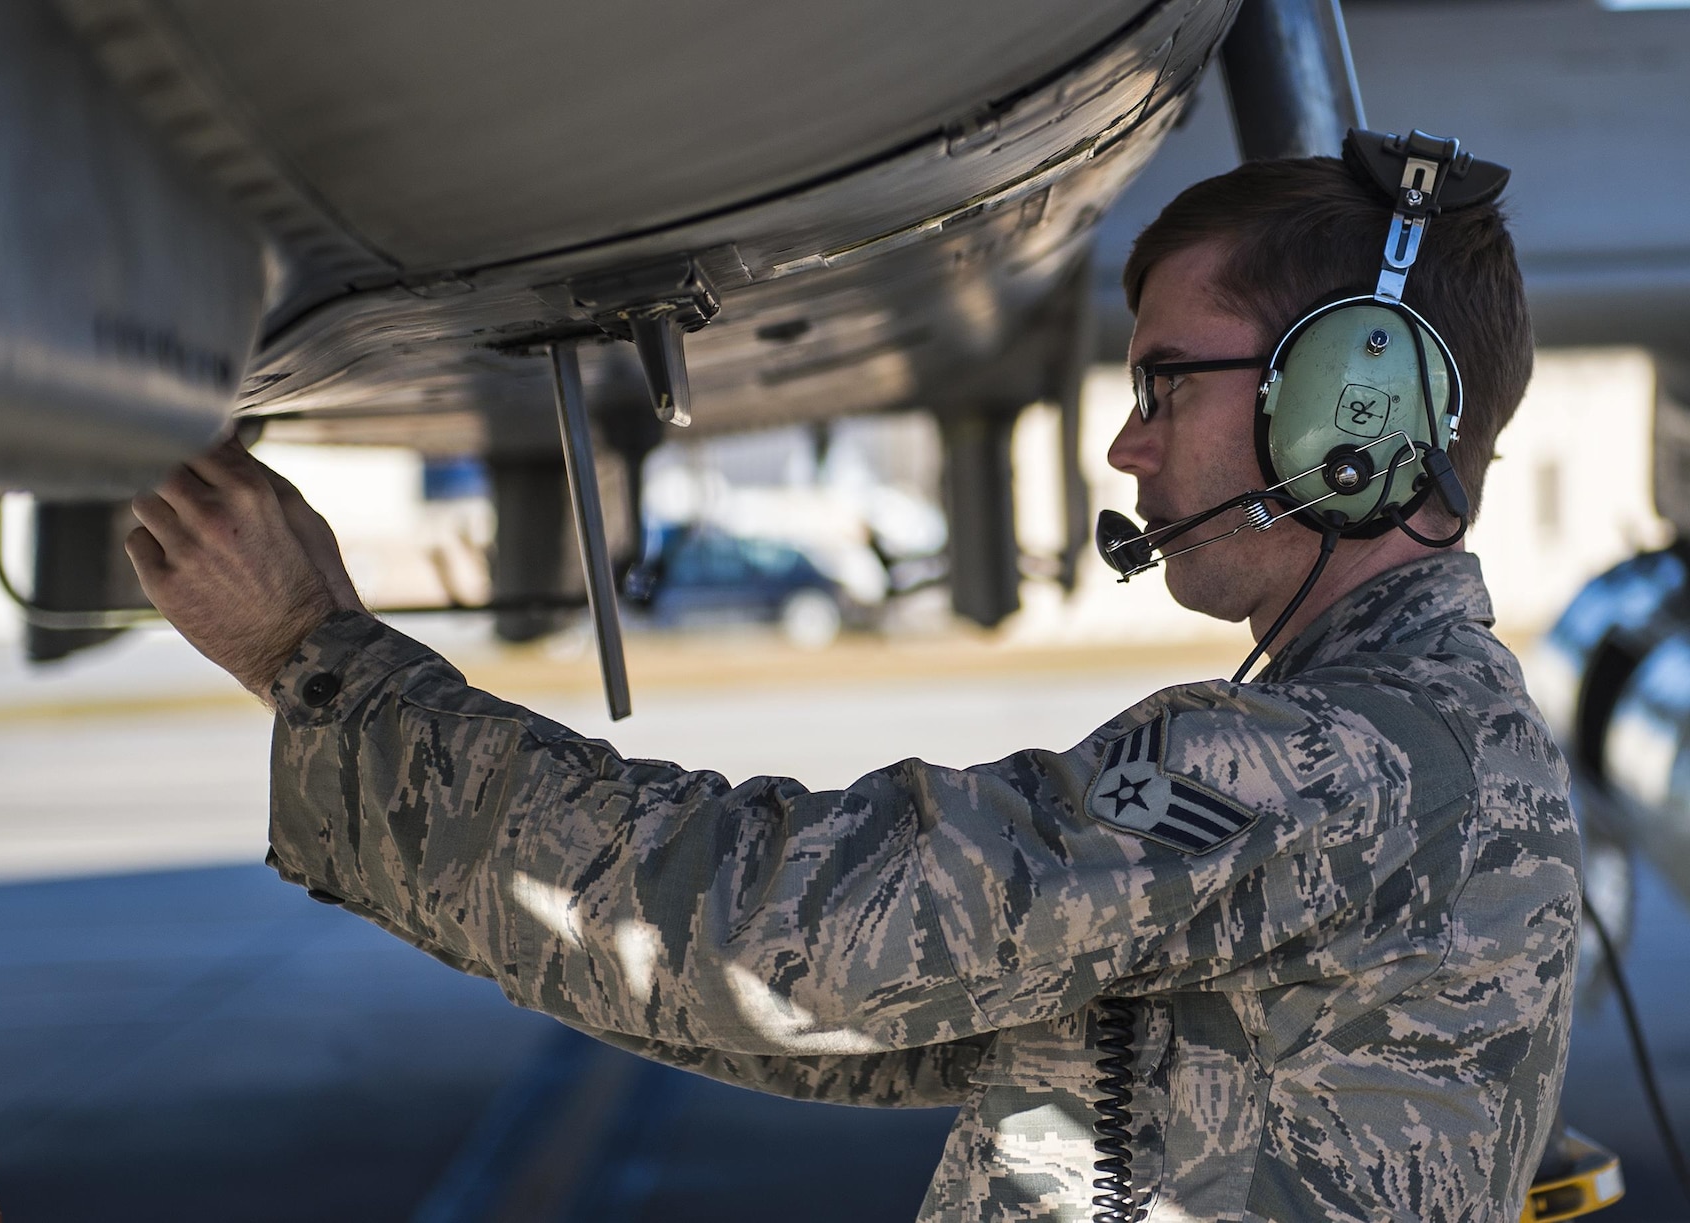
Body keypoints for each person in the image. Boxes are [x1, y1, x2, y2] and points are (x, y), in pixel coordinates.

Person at [125, 152, 1576, 1222]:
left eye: (1163, 388)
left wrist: (319, 662)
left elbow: (785, 932)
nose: (1131, 453)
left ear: (1350, 412)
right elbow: (864, 1012)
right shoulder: (1438, 736)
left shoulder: (1321, 763)